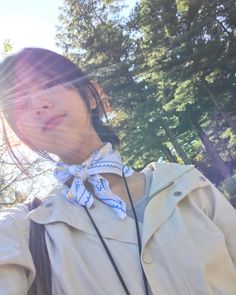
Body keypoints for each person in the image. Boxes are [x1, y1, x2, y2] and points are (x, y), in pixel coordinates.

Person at [0, 47, 235, 295]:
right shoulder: (25, 228)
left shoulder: (186, 184)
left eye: (48, 83)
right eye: (21, 104)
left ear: (91, 96)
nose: (38, 104)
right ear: (25, 135)